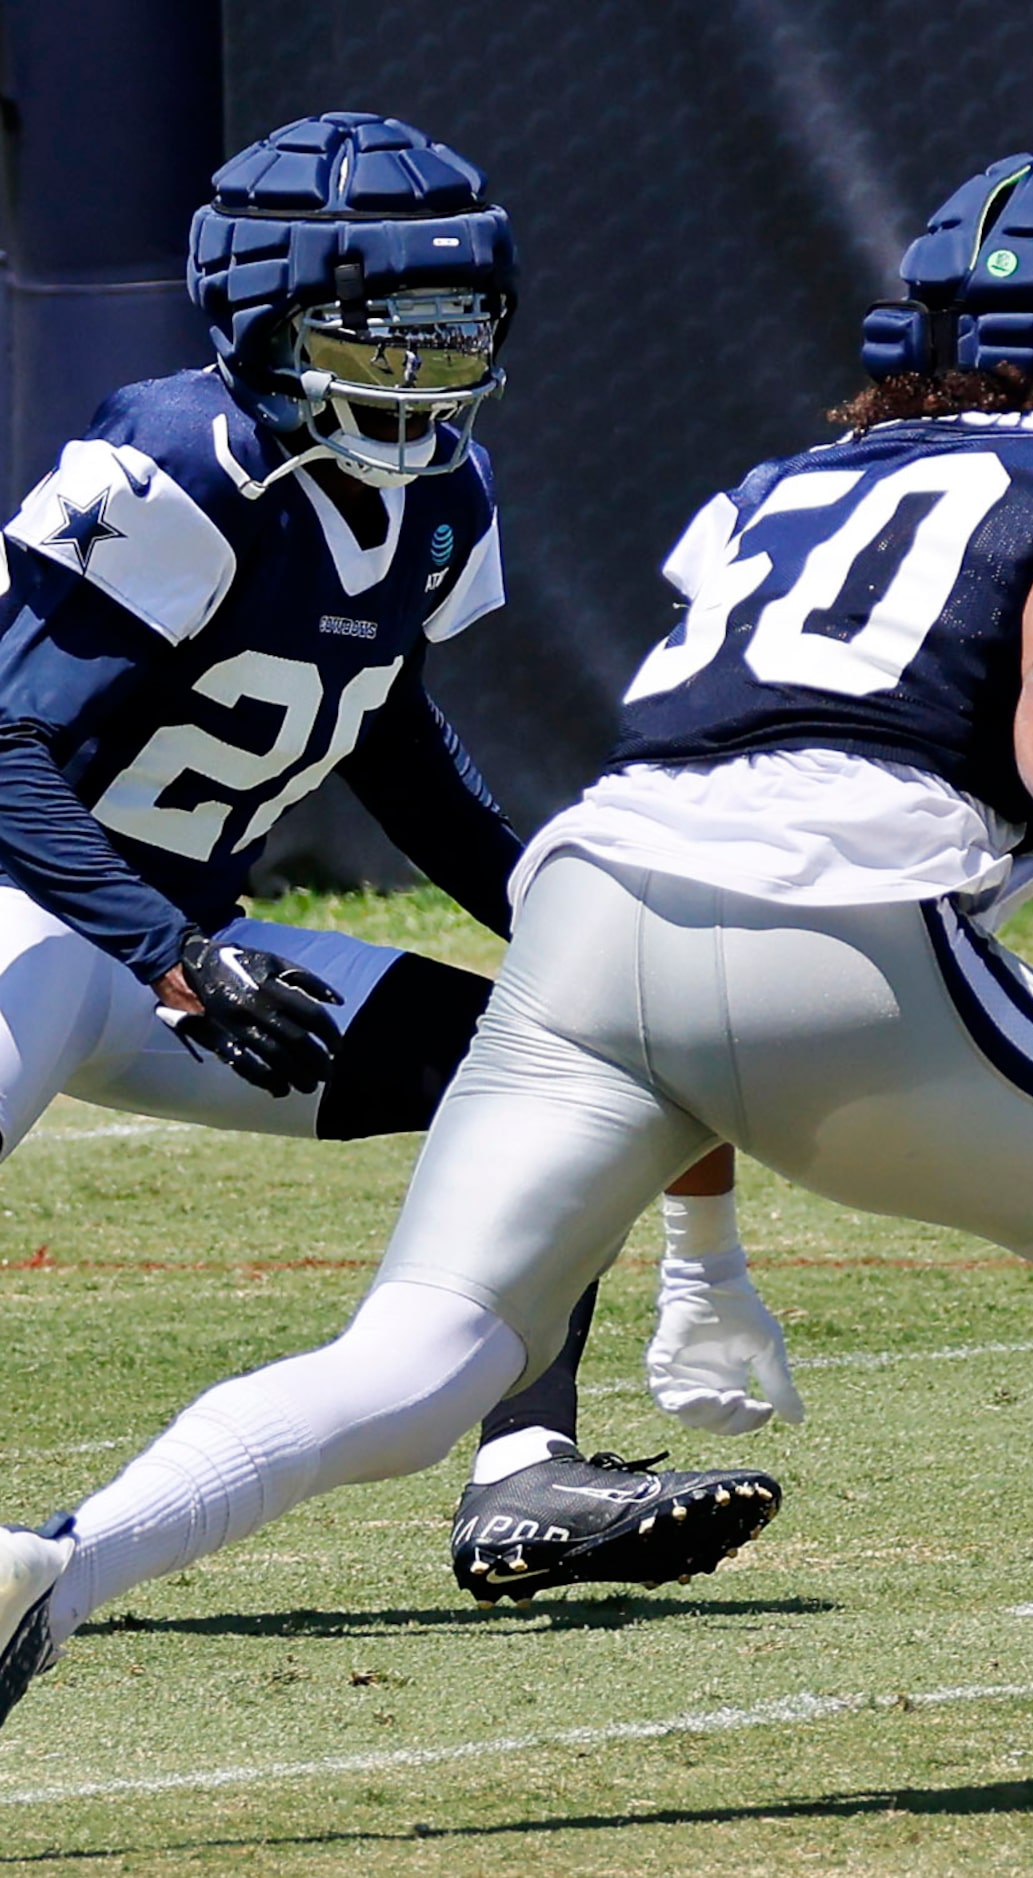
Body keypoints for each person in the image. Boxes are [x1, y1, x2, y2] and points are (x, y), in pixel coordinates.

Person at [0, 147, 1033, 1773]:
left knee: (409, 1357)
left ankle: (61, 1566)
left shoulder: (787, 485)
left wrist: (706, 1257)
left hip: (599, 899)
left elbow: (684, 877)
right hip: (833, 915)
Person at [0, 112, 784, 1609]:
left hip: (179, 952)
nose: (419, 373)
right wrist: (168, 944)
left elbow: (387, 733)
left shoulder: (439, 500)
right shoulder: (179, 458)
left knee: (559, 1071)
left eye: (451, 332)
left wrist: (564, 920)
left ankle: (523, 1470)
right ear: (259, 315)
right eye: (378, 335)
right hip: (39, 918)